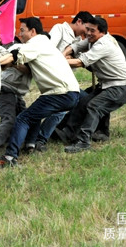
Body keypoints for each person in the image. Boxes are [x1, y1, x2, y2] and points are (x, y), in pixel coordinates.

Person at [0, 17, 80, 168]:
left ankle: (10, 157)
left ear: (32, 31)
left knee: (22, 119)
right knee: (34, 114)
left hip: (59, 93)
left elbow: (15, 56)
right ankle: (31, 144)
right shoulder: (46, 44)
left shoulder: (36, 43)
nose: (20, 34)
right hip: (72, 93)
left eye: (22, 30)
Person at [56, 17, 126, 153]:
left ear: (102, 32)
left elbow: (81, 62)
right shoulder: (93, 39)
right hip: (107, 84)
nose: (88, 33)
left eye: (92, 31)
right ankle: (69, 134)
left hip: (121, 87)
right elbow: (76, 46)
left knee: (94, 106)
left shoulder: (104, 44)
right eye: (88, 29)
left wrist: (57, 61)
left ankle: (83, 142)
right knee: (83, 102)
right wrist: (63, 54)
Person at [33, 11, 95, 150]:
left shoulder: (78, 40)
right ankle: (40, 139)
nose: (87, 32)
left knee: (84, 100)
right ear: (79, 21)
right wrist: (62, 58)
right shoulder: (59, 29)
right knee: (61, 108)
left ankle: (61, 131)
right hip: (55, 78)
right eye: (87, 28)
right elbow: (47, 50)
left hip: (67, 80)